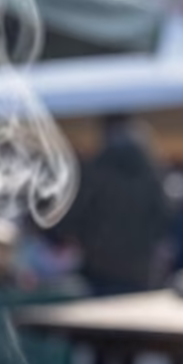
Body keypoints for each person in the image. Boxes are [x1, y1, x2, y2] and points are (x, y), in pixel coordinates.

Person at [64, 115, 170, 294]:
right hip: (139, 269)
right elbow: (163, 218)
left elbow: (74, 218)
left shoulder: (94, 171)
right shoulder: (150, 173)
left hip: (99, 268)